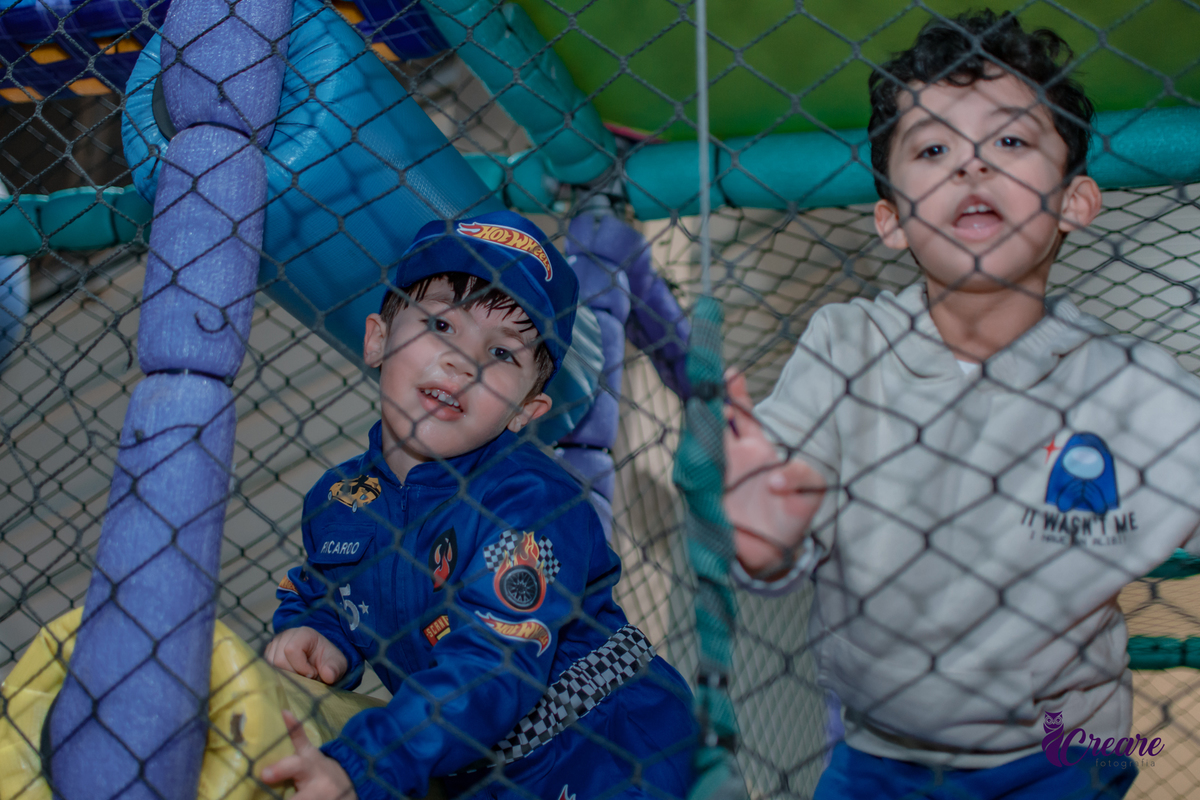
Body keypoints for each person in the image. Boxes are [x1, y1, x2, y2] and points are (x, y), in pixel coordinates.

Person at [722, 10, 1200, 800]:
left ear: (1075, 201)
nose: (971, 166)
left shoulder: (1126, 384)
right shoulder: (849, 346)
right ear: (891, 220)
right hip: (878, 754)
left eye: (1009, 142)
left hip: (1063, 749)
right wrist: (766, 538)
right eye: (934, 149)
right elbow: (776, 528)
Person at [261, 210, 696, 800]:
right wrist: (316, 631)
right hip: (470, 767)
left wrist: (366, 762)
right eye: (441, 323)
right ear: (377, 338)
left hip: (604, 752)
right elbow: (323, 591)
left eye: (502, 354)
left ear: (524, 412)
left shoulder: (529, 500)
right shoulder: (337, 501)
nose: (463, 361)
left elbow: (492, 666)